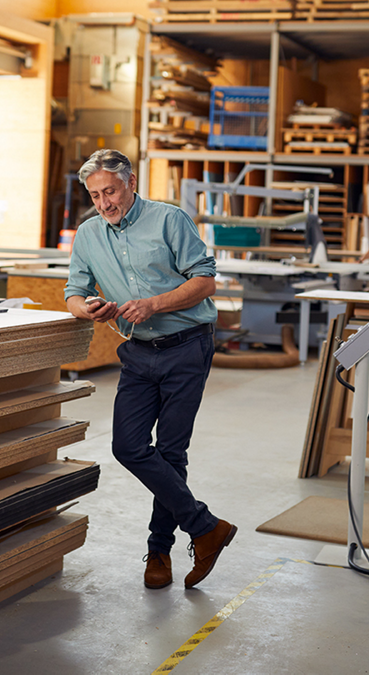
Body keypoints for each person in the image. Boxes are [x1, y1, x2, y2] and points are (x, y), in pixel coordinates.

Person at [63, 149, 235, 590]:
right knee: (129, 446)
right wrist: (90, 309)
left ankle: (159, 550)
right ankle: (205, 526)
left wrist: (154, 303)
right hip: (138, 352)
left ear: (131, 182)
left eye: (111, 191)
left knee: (172, 452)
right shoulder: (87, 235)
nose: (105, 203)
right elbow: (73, 292)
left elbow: (205, 281)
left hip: (187, 347)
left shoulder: (168, 220)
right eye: (96, 195)